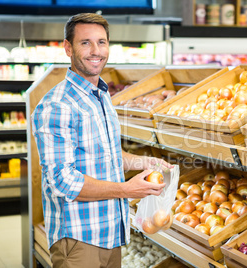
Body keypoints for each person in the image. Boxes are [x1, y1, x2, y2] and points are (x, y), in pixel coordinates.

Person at [31, 13, 172, 268]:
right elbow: (63, 182)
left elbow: (108, 156)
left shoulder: (101, 95)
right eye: (85, 42)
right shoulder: (57, 105)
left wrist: (144, 162)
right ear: (68, 47)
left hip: (110, 234)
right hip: (78, 240)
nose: (96, 51)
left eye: (102, 42)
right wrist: (127, 189)